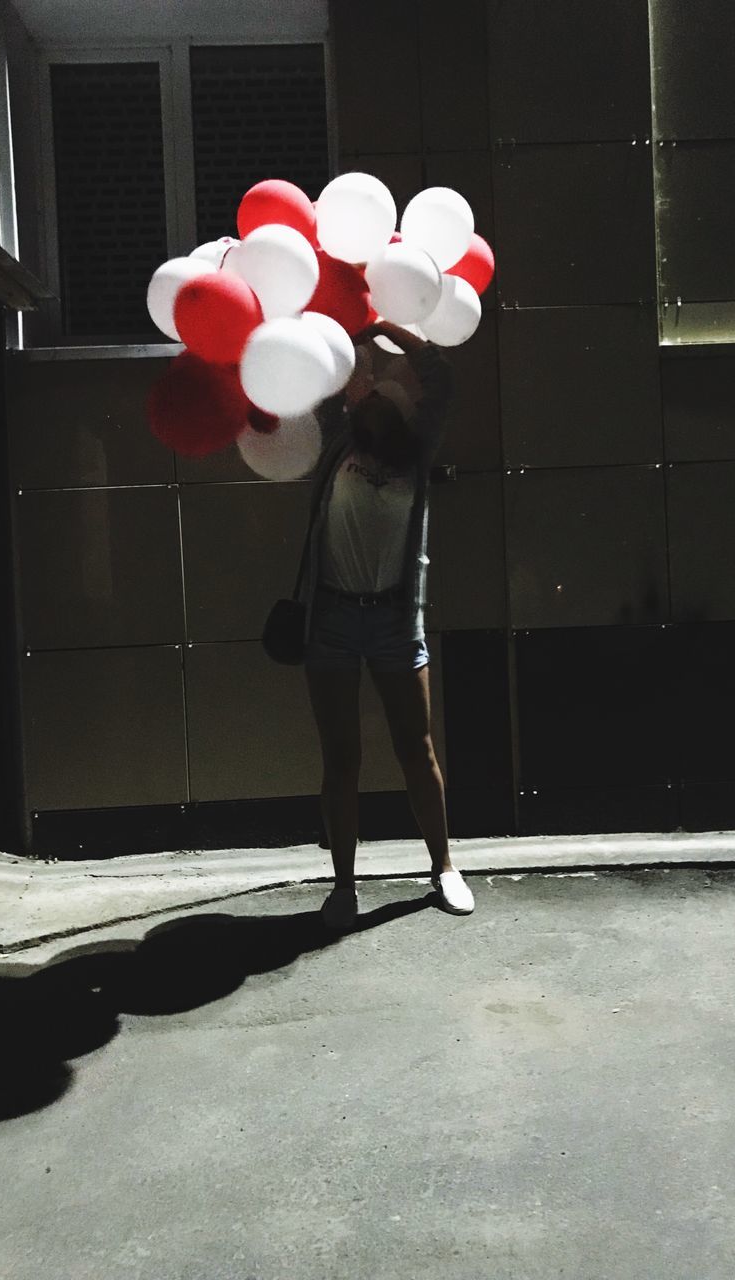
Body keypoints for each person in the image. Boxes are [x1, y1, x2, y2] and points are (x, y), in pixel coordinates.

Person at [296, 317, 475, 931]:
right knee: (341, 756)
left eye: (381, 402)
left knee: (415, 748)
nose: (371, 406)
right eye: (366, 399)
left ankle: (444, 867)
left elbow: (441, 376)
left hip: (396, 621)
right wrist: (346, 336)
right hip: (334, 620)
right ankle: (344, 885)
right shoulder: (335, 446)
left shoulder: (416, 452)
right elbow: (315, 376)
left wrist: (385, 326)